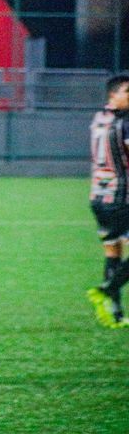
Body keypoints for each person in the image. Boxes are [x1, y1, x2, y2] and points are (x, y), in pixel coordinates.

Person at [86, 74, 129, 329]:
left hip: (98, 196)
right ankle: (106, 289)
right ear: (113, 95)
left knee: (113, 251)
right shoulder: (125, 123)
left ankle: (114, 313)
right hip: (120, 196)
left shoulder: (99, 118)